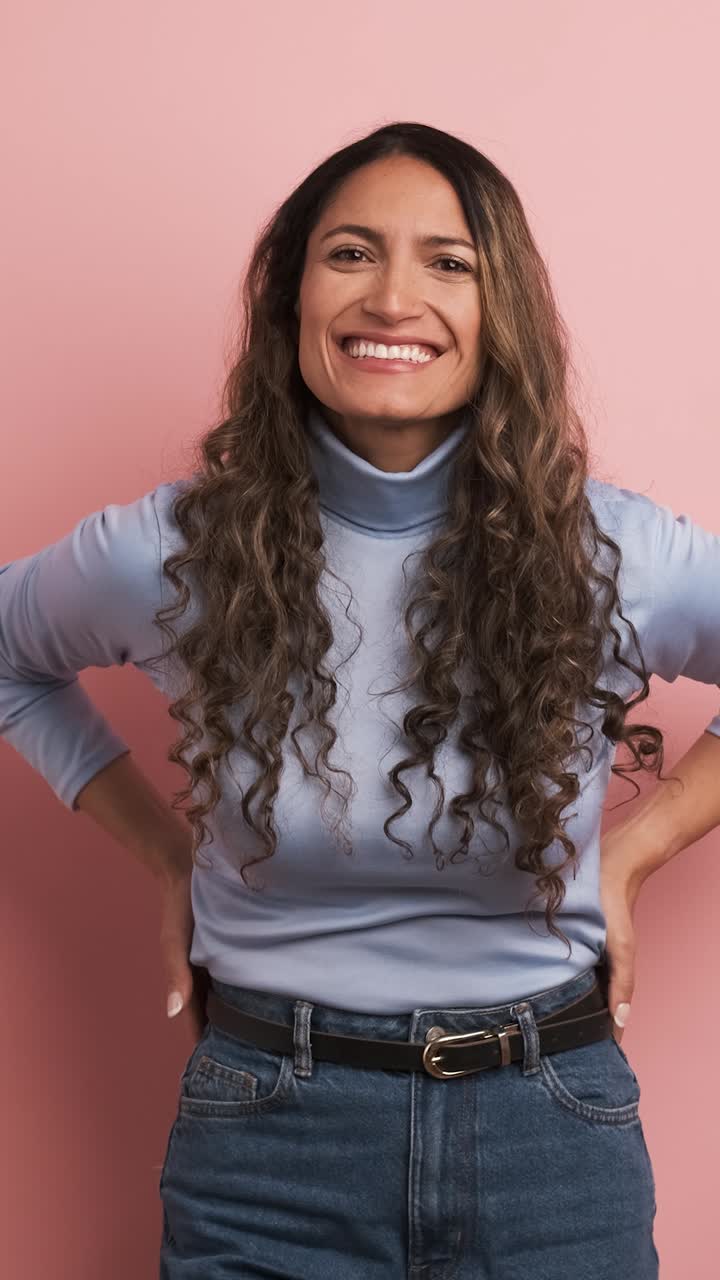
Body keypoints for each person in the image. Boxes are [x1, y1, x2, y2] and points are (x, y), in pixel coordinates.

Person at [2, 120, 720, 1279]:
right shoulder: (170, 551)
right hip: (266, 1138)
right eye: (350, 254)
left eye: (449, 262)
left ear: (505, 317)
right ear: (292, 298)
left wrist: (632, 850)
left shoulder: (614, 552)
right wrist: (163, 855)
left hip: (550, 1133)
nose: (394, 297)